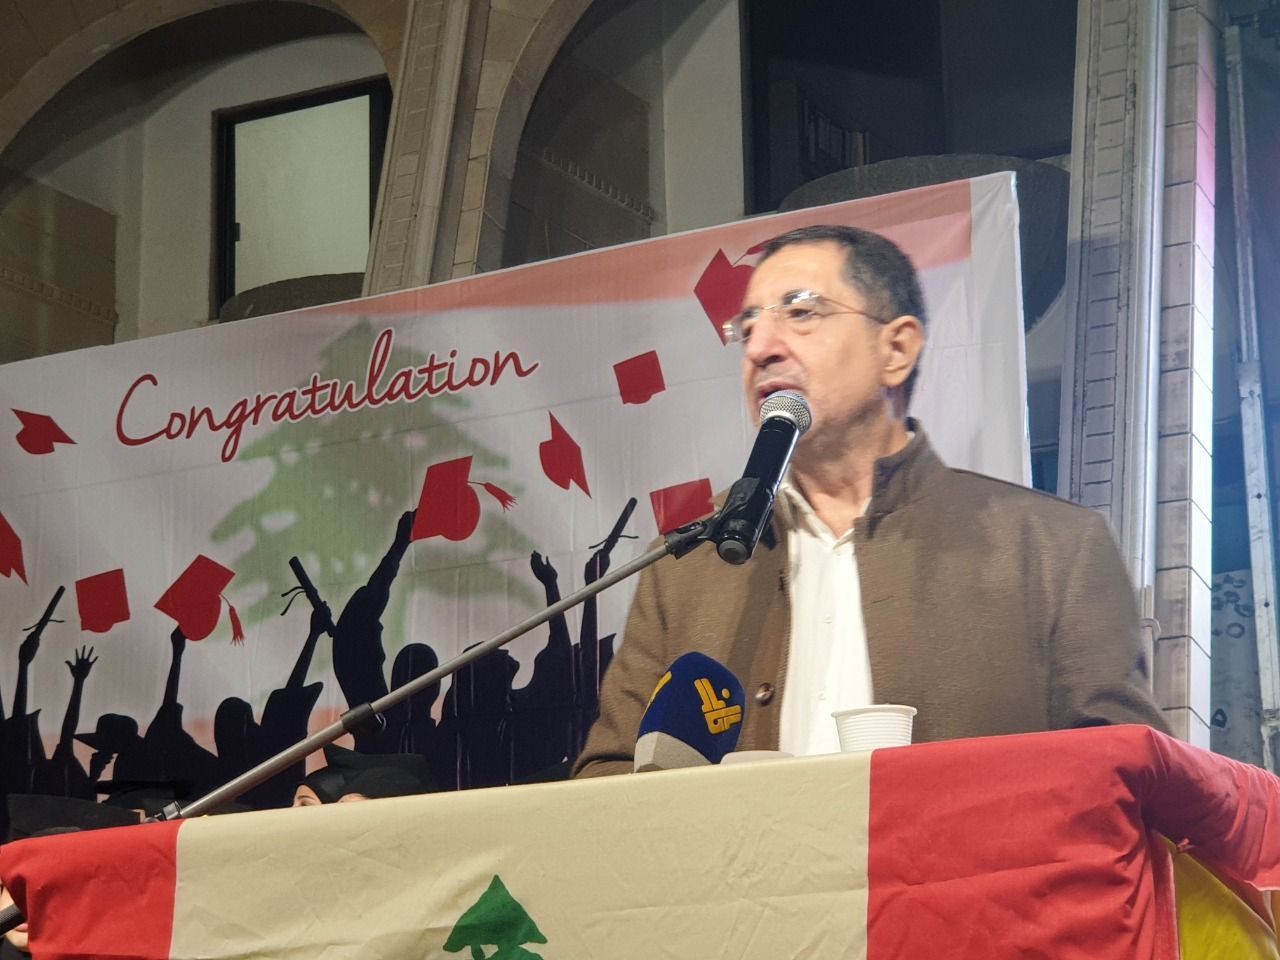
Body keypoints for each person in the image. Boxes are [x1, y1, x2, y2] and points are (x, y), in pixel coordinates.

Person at [574, 224, 1168, 777]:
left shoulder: (1053, 550)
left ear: (896, 350)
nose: (760, 348)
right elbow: (605, 778)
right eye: (748, 327)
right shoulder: (685, 566)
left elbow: (1129, 780)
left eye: (801, 312)